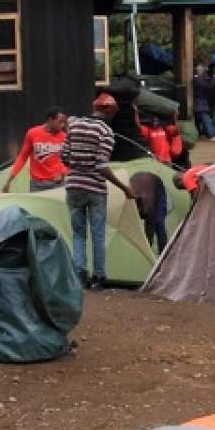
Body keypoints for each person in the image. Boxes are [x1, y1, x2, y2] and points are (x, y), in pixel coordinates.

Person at [63, 94, 136, 289]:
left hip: (74, 186)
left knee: (78, 233)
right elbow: (102, 166)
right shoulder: (106, 132)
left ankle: (79, 274)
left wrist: (78, 164)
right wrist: (125, 188)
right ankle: (99, 278)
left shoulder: (75, 126)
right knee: (98, 234)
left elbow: (64, 157)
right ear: (110, 112)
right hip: (95, 189)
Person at [4, 107, 69, 193]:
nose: (62, 125)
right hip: (37, 185)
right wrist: (10, 179)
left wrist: (63, 173)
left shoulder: (64, 137)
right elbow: (22, 157)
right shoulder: (33, 133)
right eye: (60, 122)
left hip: (57, 184)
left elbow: (69, 159)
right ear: (50, 120)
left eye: (64, 122)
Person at [130, 170, 169, 252]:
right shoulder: (129, 200)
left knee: (159, 223)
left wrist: (148, 250)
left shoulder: (148, 203)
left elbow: (149, 228)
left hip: (158, 188)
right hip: (140, 182)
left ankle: (164, 252)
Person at [192, 60, 215, 140]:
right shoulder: (197, 79)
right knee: (206, 119)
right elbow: (209, 86)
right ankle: (211, 134)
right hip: (200, 102)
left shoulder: (199, 78)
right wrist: (214, 79)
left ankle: (205, 133)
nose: (203, 70)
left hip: (202, 102)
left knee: (201, 119)